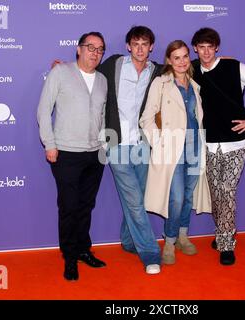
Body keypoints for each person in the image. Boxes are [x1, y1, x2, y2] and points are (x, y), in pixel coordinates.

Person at [191, 27, 245, 265]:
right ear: (196, 48)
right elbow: (169, 69)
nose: (206, 52)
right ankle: (224, 231)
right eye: (201, 47)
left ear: (217, 48)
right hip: (209, 142)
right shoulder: (192, 69)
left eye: (210, 47)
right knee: (216, 194)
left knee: (227, 191)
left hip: (236, 143)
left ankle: (226, 244)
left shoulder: (235, 67)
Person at [37, 32, 108, 281]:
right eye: (90, 47)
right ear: (78, 49)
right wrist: (50, 144)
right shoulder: (61, 72)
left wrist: (104, 144)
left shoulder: (102, 80)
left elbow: (103, 114)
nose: (95, 52)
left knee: (86, 206)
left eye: (100, 49)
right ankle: (69, 258)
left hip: (95, 154)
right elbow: (44, 109)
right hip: (66, 152)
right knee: (69, 207)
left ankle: (82, 250)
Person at [97, 26, 163, 275]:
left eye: (144, 44)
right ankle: (149, 253)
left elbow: (184, 68)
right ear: (128, 46)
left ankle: (127, 241)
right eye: (135, 43)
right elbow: (88, 72)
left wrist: (224, 60)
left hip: (142, 145)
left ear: (151, 47)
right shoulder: (114, 64)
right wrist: (65, 67)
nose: (139, 48)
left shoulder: (156, 71)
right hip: (115, 145)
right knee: (135, 201)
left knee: (138, 199)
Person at [139, 40, 211, 265]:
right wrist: (159, 142)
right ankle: (169, 242)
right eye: (176, 57)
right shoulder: (161, 83)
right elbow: (146, 119)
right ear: (169, 60)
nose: (181, 62)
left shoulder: (195, 85)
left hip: (195, 147)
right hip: (172, 149)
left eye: (185, 57)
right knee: (177, 197)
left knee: (188, 196)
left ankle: (183, 236)